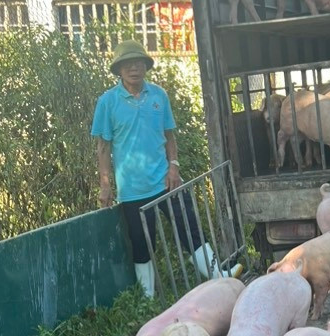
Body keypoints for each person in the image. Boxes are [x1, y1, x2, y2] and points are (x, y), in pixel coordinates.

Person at [91, 40, 241, 297]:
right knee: (142, 244)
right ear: (118, 70)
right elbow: (103, 147)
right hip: (132, 190)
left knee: (190, 229)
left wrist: (174, 166)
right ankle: (148, 298)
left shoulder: (159, 95)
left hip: (166, 181)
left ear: (146, 67)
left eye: (139, 63)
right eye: (128, 65)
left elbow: (169, 135)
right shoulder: (107, 102)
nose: (134, 69)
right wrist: (105, 186)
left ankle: (221, 276)